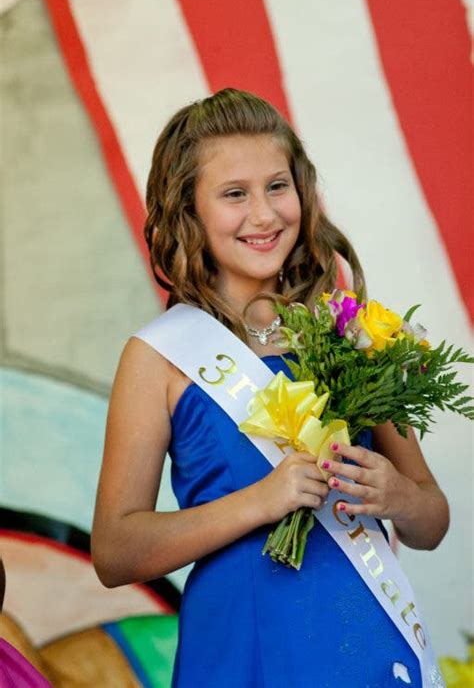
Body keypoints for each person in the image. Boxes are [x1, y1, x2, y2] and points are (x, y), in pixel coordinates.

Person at [91, 88, 449, 688]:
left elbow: (431, 519)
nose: (264, 215)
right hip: (242, 653)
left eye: (277, 187)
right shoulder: (158, 359)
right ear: (189, 211)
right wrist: (263, 500)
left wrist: (397, 497)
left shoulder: (351, 332)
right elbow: (114, 550)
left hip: (368, 645)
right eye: (234, 194)